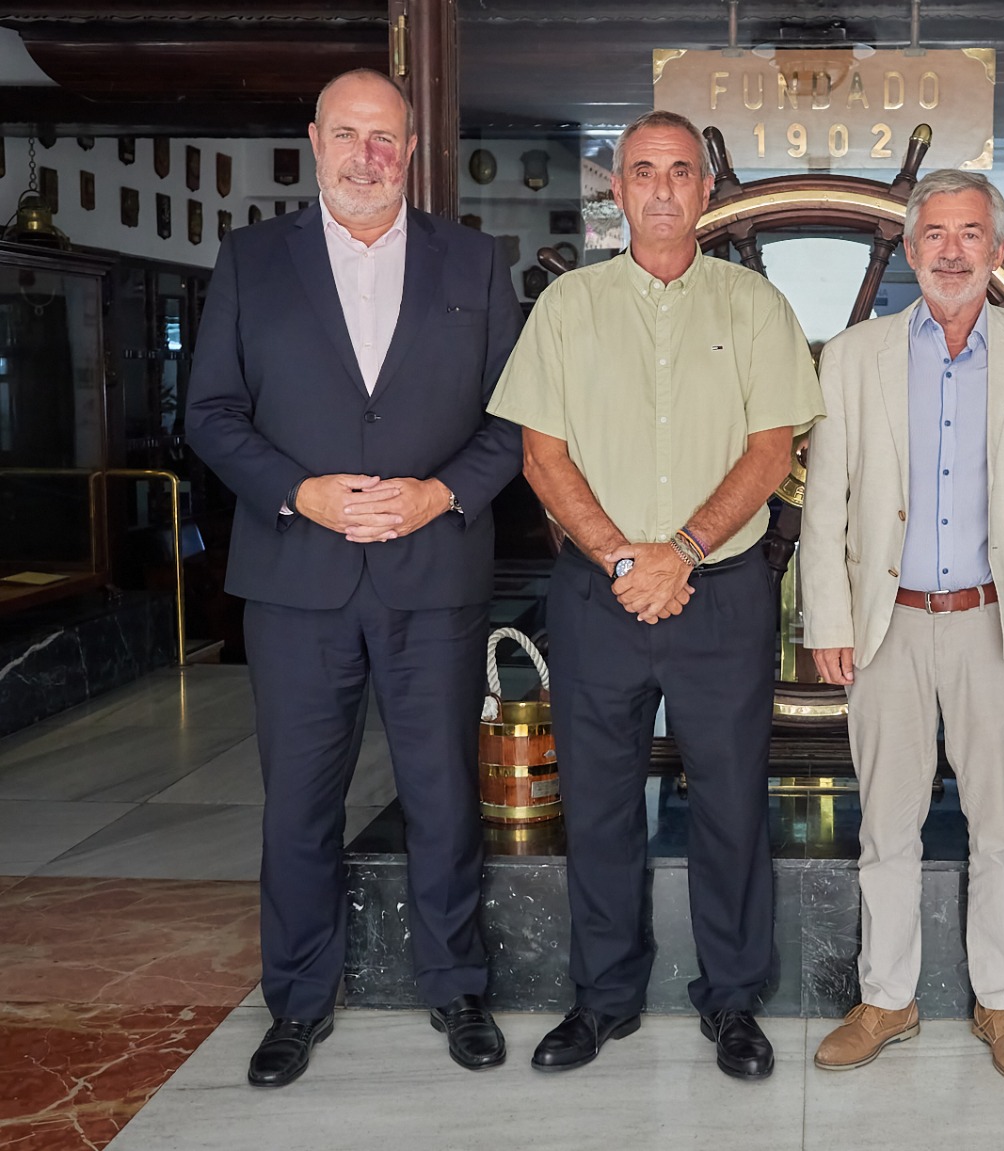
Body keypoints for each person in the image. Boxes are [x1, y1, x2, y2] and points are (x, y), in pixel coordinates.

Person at [186, 68, 523, 1087]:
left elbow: (515, 419)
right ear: (314, 141)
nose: (366, 155)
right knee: (297, 802)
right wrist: (302, 491)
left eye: (385, 137)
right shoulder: (251, 261)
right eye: (348, 134)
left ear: (410, 149)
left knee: (442, 796)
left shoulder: (475, 258)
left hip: (434, 571)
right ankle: (296, 1000)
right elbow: (210, 414)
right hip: (297, 574)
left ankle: (457, 983)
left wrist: (437, 494)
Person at [486, 110, 823, 1081]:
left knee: (730, 806)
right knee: (595, 805)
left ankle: (733, 1000)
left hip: (720, 592)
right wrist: (622, 556)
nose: (664, 188)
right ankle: (602, 999)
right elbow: (539, 456)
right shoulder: (569, 307)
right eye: (644, 171)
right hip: (598, 595)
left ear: (706, 190)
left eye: (681, 171)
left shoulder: (755, 307)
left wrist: (676, 548)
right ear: (618, 191)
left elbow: (772, 452)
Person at [799, 169, 1004, 1084]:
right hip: (887, 628)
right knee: (886, 824)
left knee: (1002, 825)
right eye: (936, 233)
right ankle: (888, 997)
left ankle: (1000, 1003)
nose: (953, 250)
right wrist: (829, 616)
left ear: (996, 250)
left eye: (972, 233)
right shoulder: (854, 355)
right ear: (912, 248)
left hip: (996, 623)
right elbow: (827, 506)